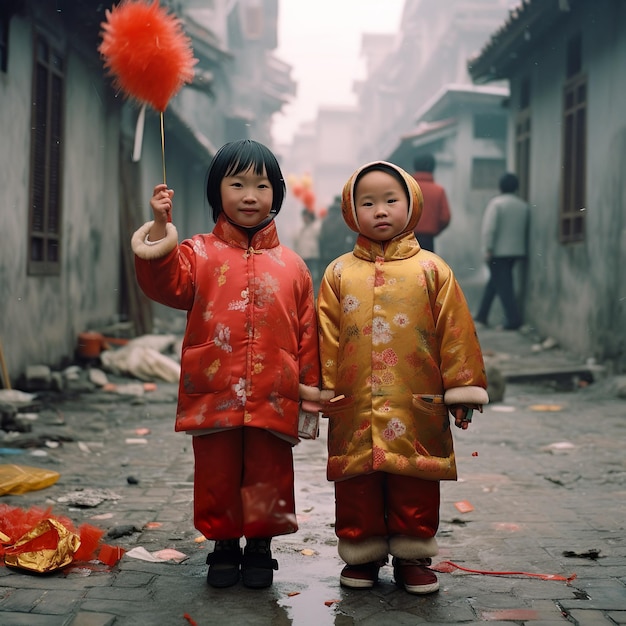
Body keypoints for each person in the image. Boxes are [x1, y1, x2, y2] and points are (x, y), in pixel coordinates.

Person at [131, 139, 321, 590]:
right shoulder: (197, 253)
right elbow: (165, 284)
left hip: (275, 391)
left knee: (268, 473)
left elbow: (307, 333)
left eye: (261, 184)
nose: (250, 195)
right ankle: (223, 545)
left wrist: (310, 391)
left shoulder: (293, 266)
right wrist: (161, 229)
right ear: (218, 192)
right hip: (214, 388)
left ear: (276, 192)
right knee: (216, 472)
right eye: (237, 184)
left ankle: (260, 548)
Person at [317, 161, 488, 595]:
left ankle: (413, 556)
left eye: (390, 200)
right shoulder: (338, 273)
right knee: (358, 480)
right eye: (367, 202)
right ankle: (362, 553)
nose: (380, 211)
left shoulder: (433, 270)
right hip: (353, 402)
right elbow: (325, 337)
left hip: (418, 398)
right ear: (350, 210)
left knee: (415, 477)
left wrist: (461, 389)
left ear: (410, 204)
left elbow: (456, 331)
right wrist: (321, 390)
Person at [474, 172, 530, 330]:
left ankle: (513, 320)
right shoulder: (523, 205)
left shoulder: (496, 203)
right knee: (496, 282)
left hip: (498, 251)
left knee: (504, 287)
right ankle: (482, 315)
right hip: (516, 251)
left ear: (500, 186)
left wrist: (487, 248)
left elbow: (489, 229)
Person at [412, 153, 451, 252]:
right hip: (428, 240)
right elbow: (445, 217)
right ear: (433, 168)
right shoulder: (438, 190)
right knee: (427, 266)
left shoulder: (408, 188)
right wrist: (435, 229)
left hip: (407, 240)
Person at [319, 194, 357, 270]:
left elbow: (321, 238)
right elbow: (352, 235)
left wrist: (322, 254)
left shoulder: (326, 220)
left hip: (327, 254)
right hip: (343, 253)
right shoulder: (345, 219)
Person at [292, 207, 322, 289]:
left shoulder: (316, 228)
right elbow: (296, 242)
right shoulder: (301, 229)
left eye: (306, 216)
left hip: (312, 256)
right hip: (302, 257)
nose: (304, 218)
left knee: (312, 277)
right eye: (304, 216)